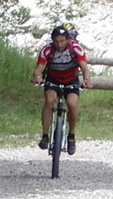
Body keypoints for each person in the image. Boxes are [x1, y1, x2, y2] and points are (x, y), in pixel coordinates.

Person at [32, 25, 93, 155]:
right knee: (49, 100)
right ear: (52, 40)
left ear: (68, 40)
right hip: (53, 80)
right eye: (56, 41)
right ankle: (45, 135)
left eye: (62, 41)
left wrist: (86, 80)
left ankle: (71, 136)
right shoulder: (47, 50)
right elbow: (39, 67)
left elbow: (85, 68)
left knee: (72, 103)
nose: (59, 44)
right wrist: (37, 76)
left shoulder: (76, 48)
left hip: (71, 80)